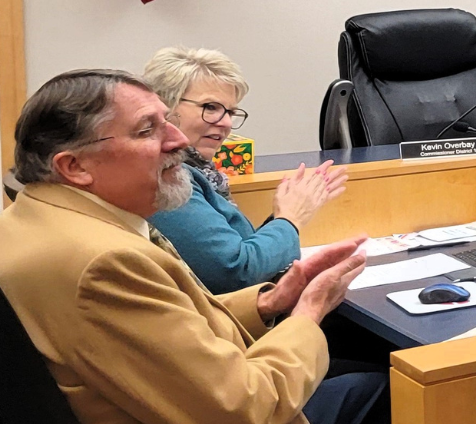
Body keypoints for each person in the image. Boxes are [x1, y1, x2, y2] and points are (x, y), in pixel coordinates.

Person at [0, 70, 393, 424]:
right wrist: (309, 313)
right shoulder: (104, 263)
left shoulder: (26, 220)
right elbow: (245, 411)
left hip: (164, 422)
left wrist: (269, 300)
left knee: (380, 388)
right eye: (148, 130)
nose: (177, 140)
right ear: (74, 166)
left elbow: (164, 329)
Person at [143, 47, 348, 294]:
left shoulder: (198, 170)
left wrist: (285, 217)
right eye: (211, 107)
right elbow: (237, 274)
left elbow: (242, 254)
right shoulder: (168, 176)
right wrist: (289, 219)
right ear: (165, 108)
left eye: (230, 112)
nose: (226, 122)